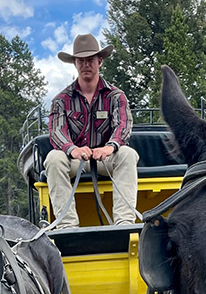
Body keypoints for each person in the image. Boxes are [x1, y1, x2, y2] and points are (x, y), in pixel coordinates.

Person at [45, 33, 139, 228]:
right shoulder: (61, 100)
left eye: (90, 60)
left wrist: (110, 148)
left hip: (107, 159)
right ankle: (67, 226)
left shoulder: (116, 96)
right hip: (74, 161)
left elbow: (123, 125)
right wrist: (73, 150)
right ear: (75, 64)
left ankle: (124, 225)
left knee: (128, 154)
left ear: (100, 61)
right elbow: (56, 132)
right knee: (53, 159)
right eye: (81, 60)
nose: (86, 64)